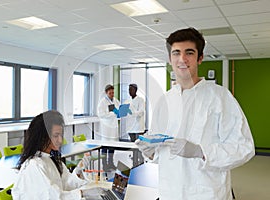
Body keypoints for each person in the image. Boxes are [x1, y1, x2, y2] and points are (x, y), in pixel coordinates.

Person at [135, 28, 255, 200]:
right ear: (170, 59)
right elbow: (161, 151)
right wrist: (150, 151)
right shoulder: (164, 101)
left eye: (189, 53)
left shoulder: (220, 97)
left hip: (207, 192)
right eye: (176, 53)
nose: (182, 59)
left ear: (200, 58)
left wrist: (201, 151)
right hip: (170, 191)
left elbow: (244, 147)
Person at [12, 110, 90, 200]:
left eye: (61, 135)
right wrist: (82, 193)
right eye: (56, 136)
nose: (60, 140)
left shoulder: (51, 159)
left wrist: (78, 171)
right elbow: (53, 196)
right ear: (42, 137)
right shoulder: (34, 165)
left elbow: (65, 184)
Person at [97, 84, 120, 170]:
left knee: (112, 145)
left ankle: (111, 163)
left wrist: (119, 112)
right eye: (110, 93)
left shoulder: (116, 101)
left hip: (113, 126)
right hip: (106, 127)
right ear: (106, 93)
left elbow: (119, 110)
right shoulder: (102, 102)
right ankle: (104, 165)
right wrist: (112, 113)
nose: (112, 94)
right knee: (105, 146)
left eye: (113, 92)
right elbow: (101, 114)